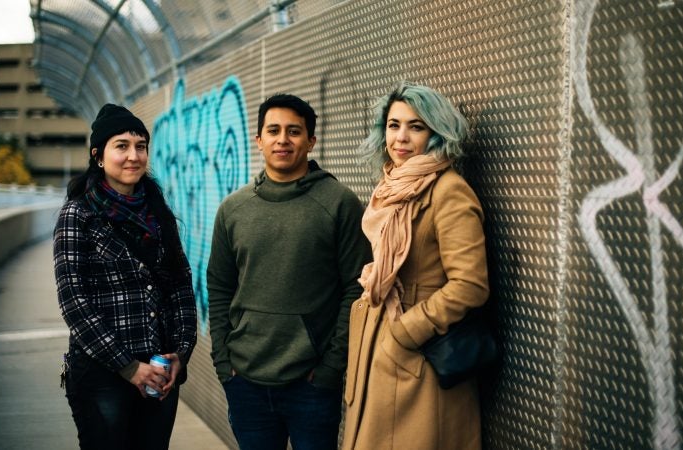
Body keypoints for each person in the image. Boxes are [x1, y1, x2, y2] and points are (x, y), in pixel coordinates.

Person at [207, 93, 372, 450]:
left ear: (311, 141)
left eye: (294, 131)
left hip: (310, 384)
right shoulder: (233, 209)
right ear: (259, 140)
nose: (283, 139)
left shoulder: (338, 203)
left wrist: (331, 368)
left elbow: (356, 289)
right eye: (274, 130)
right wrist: (224, 362)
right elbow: (219, 287)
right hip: (245, 380)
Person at [342, 82, 490, 450]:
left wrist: (408, 330)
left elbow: (470, 284)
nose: (401, 137)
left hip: (418, 356)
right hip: (379, 349)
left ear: (436, 133)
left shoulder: (448, 190)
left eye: (416, 126)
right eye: (394, 125)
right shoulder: (391, 187)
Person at [53, 104, 197, 450]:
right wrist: (128, 367)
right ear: (98, 156)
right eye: (121, 146)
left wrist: (181, 351)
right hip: (103, 375)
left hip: (159, 371)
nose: (133, 156)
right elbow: (74, 302)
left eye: (141, 146)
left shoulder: (157, 211)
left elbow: (181, 286)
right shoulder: (79, 214)